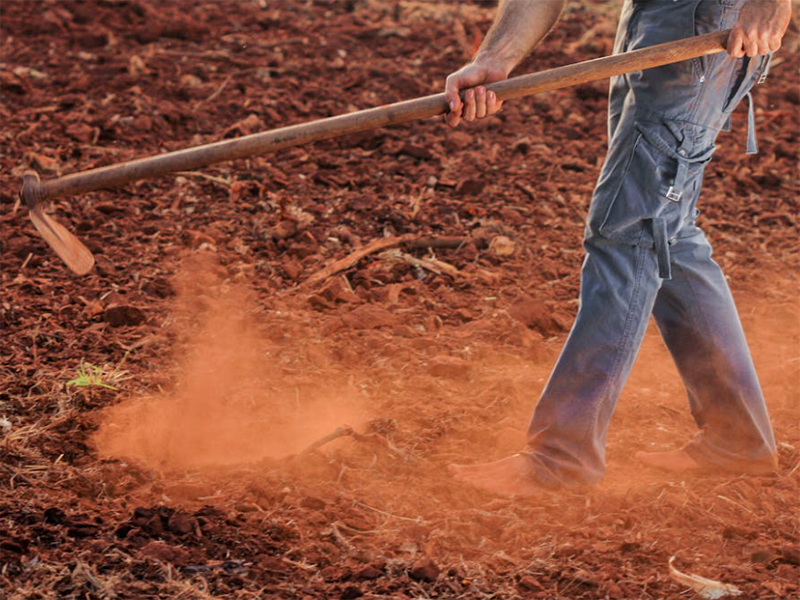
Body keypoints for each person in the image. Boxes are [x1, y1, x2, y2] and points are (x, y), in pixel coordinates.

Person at [445, 0, 791, 496]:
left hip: (711, 20)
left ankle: (560, 458)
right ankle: (737, 438)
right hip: (656, 19)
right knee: (663, 228)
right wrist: (495, 58)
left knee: (628, 230)